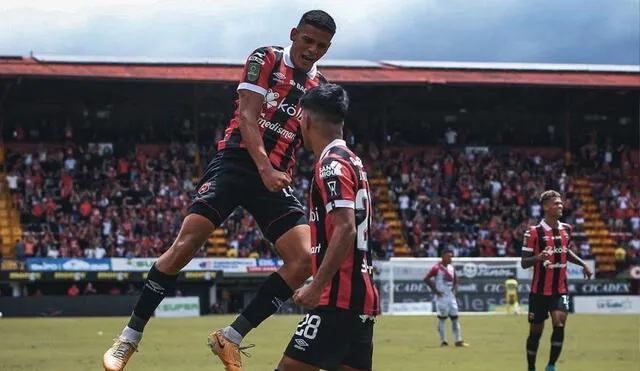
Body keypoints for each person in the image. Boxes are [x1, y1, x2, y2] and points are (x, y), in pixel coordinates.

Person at [102, 10, 336, 371]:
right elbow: (246, 117)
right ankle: (129, 338)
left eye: (321, 45)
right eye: (307, 40)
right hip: (237, 162)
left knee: (303, 259)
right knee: (187, 244)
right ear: (294, 34)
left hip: (275, 177)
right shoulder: (266, 59)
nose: (312, 50)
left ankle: (231, 336)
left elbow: (316, 135)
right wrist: (266, 168)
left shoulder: (320, 87)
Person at [275, 83, 380, 371]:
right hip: (360, 298)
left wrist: (316, 285)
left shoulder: (330, 165)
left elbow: (345, 228)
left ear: (306, 120)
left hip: (337, 298)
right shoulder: (354, 161)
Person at [521, 190, 593, 371]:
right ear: (545, 207)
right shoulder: (533, 232)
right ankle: (531, 367)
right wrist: (538, 257)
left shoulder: (566, 229)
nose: (560, 206)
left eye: (561, 203)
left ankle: (551, 365)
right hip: (539, 292)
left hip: (560, 290)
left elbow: (565, 251)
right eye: (556, 203)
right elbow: (524, 262)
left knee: (559, 325)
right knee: (535, 334)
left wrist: (583, 264)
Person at [424, 248, 469, 347]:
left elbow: (456, 280)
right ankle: (443, 341)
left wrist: (455, 291)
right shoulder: (436, 268)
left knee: (455, 318)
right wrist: (435, 291)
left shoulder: (452, 267)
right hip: (442, 298)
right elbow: (426, 278)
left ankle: (458, 341)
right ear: (443, 256)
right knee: (442, 319)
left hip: (451, 297)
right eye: (449, 256)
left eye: (451, 256)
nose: (451, 258)